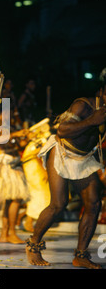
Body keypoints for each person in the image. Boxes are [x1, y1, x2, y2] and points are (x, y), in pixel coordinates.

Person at [25, 91, 106, 269]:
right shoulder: (84, 105)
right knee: (58, 204)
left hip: (84, 158)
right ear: (103, 91)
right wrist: (93, 120)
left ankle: (81, 255)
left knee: (93, 204)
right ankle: (33, 244)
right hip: (62, 151)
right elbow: (62, 130)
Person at [0, 108, 30, 244]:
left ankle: (5, 234)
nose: (8, 115)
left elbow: (17, 145)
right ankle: (12, 233)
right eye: (6, 112)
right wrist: (16, 134)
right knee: (15, 199)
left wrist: (26, 138)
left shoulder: (4, 127)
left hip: (10, 162)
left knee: (10, 200)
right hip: (3, 164)